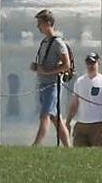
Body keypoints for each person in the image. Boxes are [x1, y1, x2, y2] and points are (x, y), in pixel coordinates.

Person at [30, 8, 71, 146]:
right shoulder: (44, 42)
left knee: (45, 115)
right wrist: (37, 67)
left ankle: (36, 145)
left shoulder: (58, 43)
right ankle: (68, 147)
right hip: (43, 84)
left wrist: (48, 72)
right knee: (55, 118)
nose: (38, 27)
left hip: (52, 85)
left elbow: (67, 65)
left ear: (48, 23)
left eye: (40, 23)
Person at [65, 52, 102, 147]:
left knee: (96, 154)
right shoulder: (79, 82)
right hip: (81, 124)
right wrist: (68, 121)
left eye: (93, 63)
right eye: (88, 63)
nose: (90, 66)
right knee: (79, 153)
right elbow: (74, 103)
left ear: (98, 63)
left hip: (98, 124)